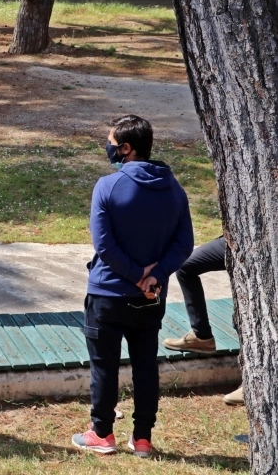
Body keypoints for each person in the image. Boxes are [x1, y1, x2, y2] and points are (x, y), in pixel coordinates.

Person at [71, 115, 193, 458]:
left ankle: (102, 434)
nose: (107, 148)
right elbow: (184, 244)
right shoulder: (175, 189)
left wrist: (134, 274)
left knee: (105, 367)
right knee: (145, 366)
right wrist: (153, 277)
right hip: (151, 299)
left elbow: (105, 246)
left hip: (108, 295)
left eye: (110, 142)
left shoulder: (107, 187)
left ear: (125, 148)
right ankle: (142, 439)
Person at [162, 235, 243, 405]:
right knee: (186, 266)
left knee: (247, 317)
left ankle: (254, 382)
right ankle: (201, 336)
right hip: (237, 237)